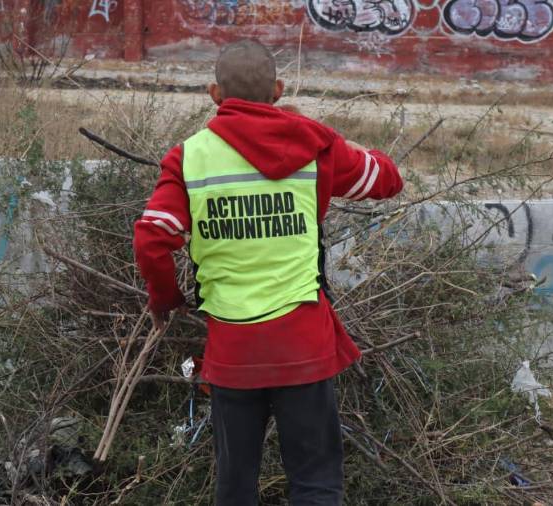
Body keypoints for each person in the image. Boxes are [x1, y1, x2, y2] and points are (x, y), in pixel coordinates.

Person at [133, 40, 404, 505]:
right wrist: (352, 145)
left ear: (214, 93)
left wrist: (166, 300)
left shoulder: (189, 157)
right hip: (304, 341)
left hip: (233, 349)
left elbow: (152, 238)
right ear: (278, 89)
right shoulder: (316, 144)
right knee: (316, 482)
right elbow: (387, 180)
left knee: (235, 488)